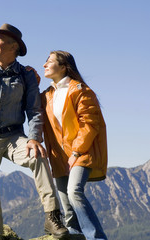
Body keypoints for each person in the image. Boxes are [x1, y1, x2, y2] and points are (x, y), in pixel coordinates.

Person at [0, 23, 69, 240]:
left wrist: (34, 138)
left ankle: (52, 217)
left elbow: (34, 110)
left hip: (14, 138)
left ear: (14, 47)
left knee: (38, 157)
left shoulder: (25, 74)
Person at [41, 50, 108, 240]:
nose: (45, 65)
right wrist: (31, 78)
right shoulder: (46, 95)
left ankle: (97, 237)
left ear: (63, 67)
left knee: (74, 192)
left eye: (49, 61)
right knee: (66, 202)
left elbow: (90, 124)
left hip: (82, 152)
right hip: (59, 156)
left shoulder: (81, 90)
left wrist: (77, 151)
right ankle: (75, 236)